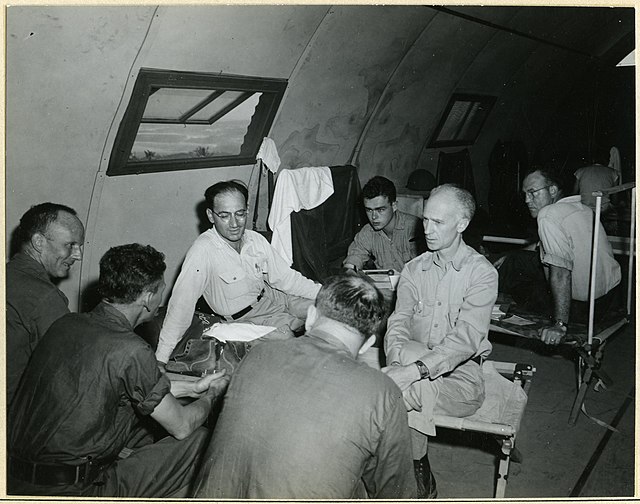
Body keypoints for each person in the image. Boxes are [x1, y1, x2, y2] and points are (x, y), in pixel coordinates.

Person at [8, 244, 229, 497]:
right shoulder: (132, 349)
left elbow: (119, 384)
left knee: (141, 432)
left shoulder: (67, 323)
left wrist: (192, 387)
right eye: (160, 289)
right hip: (73, 490)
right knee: (201, 439)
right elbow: (181, 426)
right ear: (147, 297)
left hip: (14, 478)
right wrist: (212, 395)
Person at [192, 275, 417, 499]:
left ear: (310, 317)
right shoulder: (382, 392)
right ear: (368, 343)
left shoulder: (257, 355)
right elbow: (396, 492)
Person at [382, 184, 498, 498]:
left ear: (462, 224)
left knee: (389, 391)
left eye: (438, 223)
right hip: (408, 361)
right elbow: (398, 325)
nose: (428, 230)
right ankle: (413, 466)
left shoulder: (481, 274)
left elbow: (464, 341)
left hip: (461, 376)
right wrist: (396, 363)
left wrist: (407, 373)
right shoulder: (412, 270)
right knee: (403, 383)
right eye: (425, 221)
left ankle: (412, 460)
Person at [155, 180, 321, 365]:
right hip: (246, 318)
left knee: (330, 311)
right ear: (211, 215)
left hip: (275, 297)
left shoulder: (255, 239)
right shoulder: (203, 251)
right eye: (224, 215)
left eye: (240, 214)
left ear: (246, 211)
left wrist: (328, 293)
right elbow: (181, 306)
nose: (234, 224)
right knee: (287, 341)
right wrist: (161, 359)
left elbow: (287, 279)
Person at [497, 168, 621, 345]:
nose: (526, 200)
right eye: (525, 194)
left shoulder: (547, 215)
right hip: (610, 300)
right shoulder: (582, 208)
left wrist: (560, 325)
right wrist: (511, 255)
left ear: (552, 190)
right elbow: (543, 246)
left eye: (532, 193)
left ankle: (479, 304)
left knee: (514, 272)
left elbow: (561, 272)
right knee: (516, 259)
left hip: (582, 311)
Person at [6, 202, 85, 406]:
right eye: (70, 245)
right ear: (39, 242)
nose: (78, 255)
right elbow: (71, 366)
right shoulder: (44, 296)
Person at [344, 176, 424, 273]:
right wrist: (350, 271)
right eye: (369, 210)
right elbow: (353, 258)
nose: (373, 217)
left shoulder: (415, 228)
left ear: (394, 206)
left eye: (380, 210)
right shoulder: (367, 232)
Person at [573, 147, 620, 234]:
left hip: (584, 208)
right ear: (607, 159)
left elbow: (574, 194)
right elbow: (615, 199)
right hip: (603, 209)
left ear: (593, 159)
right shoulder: (613, 173)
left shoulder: (580, 171)